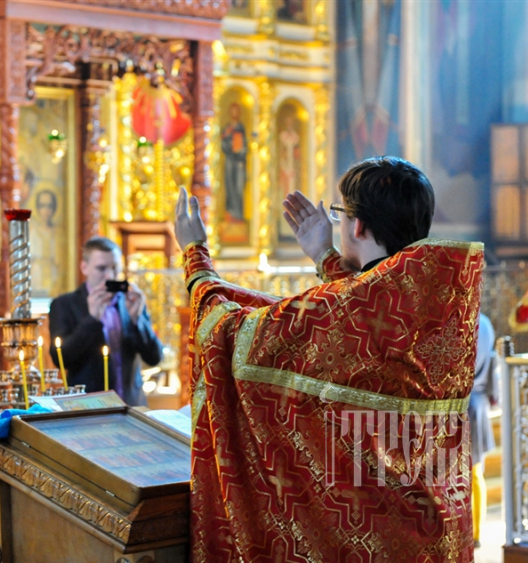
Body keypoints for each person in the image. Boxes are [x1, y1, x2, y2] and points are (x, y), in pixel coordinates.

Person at [175, 156, 483, 562]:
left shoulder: (339, 313)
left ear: (356, 225)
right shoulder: (443, 305)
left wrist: (196, 258)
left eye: (340, 214)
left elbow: (227, 332)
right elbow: (365, 317)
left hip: (370, 541)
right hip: (430, 533)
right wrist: (325, 255)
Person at [48, 236, 163, 406]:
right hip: (89, 407)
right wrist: (92, 319)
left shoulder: (131, 302)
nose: (110, 276)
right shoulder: (64, 304)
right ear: (84, 267)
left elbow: (154, 357)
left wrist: (137, 320)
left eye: (115, 268)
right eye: (101, 268)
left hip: (131, 404)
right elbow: (61, 359)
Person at [469, 313, 498, 549]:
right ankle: (476, 532)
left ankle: (472, 532)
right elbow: (492, 361)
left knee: (469, 473)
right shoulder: (486, 324)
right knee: (476, 472)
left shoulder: (459, 321)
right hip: (479, 404)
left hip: (460, 404)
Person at [221, 102, 247, 222]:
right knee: (230, 188)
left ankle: (238, 215)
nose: (234, 113)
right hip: (230, 162)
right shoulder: (227, 129)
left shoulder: (241, 128)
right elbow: (223, 144)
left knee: (238, 188)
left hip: (239, 164)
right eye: (233, 110)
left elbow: (245, 146)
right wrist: (230, 144)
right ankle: (230, 214)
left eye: (237, 110)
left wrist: (241, 152)